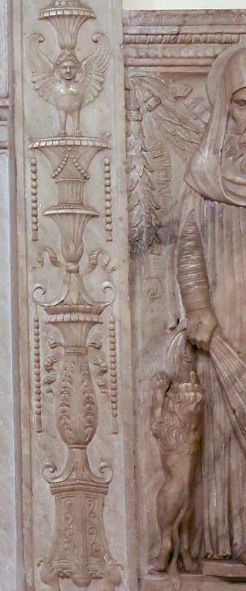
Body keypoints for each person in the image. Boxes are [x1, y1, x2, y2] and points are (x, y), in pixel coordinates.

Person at [179, 40, 246, 571]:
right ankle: (227, 543)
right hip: (224, 327)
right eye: (243, 102)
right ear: (226, 106)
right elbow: (187, 247)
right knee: (222, 432)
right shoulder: (206, 176)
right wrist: (199, 310)